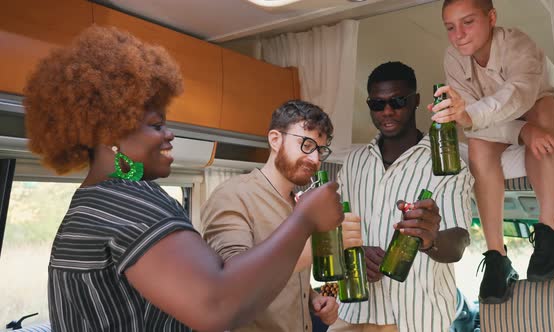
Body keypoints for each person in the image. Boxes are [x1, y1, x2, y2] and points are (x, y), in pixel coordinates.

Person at [24, 25, 345, 332]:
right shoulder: (131, 203)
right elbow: (220, 303)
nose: (169, 135)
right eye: (155, 125)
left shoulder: (91, 202)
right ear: (112, 133)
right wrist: (305, 221)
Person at [435, 0, 554, 304]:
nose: (458, 34)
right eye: (450, 27)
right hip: (498, 122)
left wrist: (526, 127)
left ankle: (552, 230)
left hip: (538, 103)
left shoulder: (517, 44)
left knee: (544, 114)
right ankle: (497, 255)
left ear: (491, 17)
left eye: (468, 22)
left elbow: (518, 95)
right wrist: (522, 132)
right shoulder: (453, 59)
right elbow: (473, 123)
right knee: (478, 148)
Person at [328, 61, 474, 332]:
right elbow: (333, 228)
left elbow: (459, 243)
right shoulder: (353, 163)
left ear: (416, 100)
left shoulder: (447, 165)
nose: (387, 111)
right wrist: (355, 252)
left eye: (397, 101)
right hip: (353, 313)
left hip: (414, 319)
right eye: (377, 104)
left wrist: (430, 240)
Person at [200, 100, 363, 332]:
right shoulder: (232, 195)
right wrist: (322, 246)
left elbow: (286, 278)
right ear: (275, 139)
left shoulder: (299, 203)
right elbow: (235, 286)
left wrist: (312, 298)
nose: (315, 159)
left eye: (320, 149)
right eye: (306, 144)